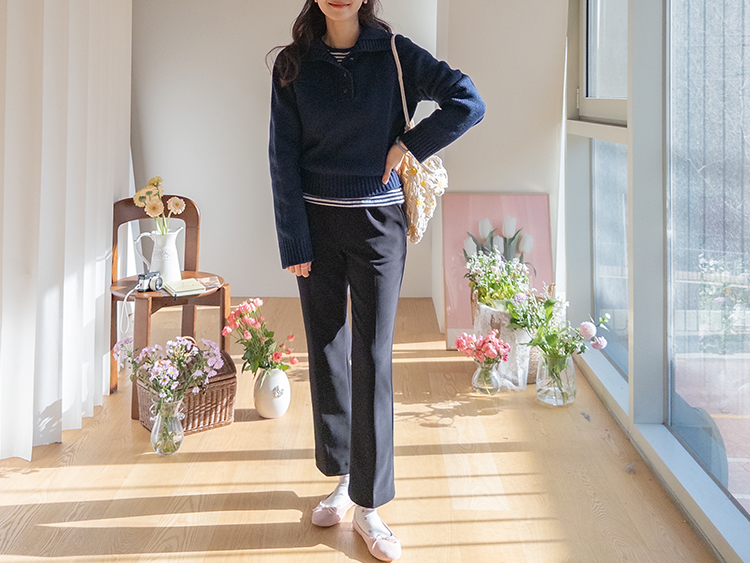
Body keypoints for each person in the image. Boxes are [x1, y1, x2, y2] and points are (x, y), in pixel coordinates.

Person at [268, 1, 484, 560]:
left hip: (379, 228)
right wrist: (293, 239)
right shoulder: (293, 64)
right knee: (326, 349)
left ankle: (370, 504)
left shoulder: (394, 53)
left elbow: (468, 101)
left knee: (371, 355)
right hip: (315, 226)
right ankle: (343, 478)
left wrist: (409, 145)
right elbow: (282, 158)